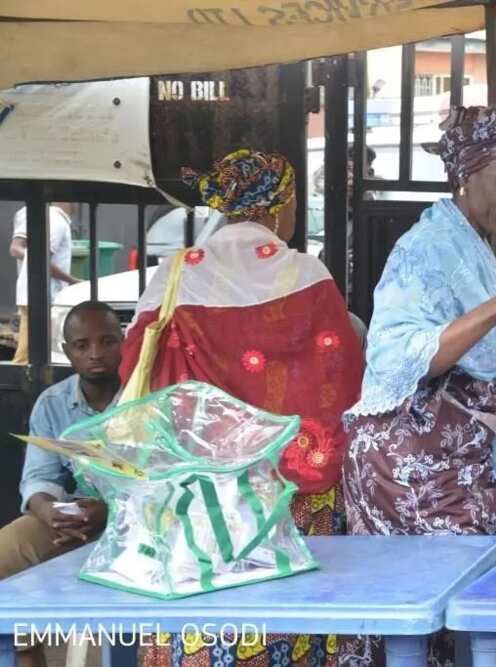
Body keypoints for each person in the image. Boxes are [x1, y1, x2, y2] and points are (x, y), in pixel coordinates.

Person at [337, 106, 496, 664]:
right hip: (409, 470)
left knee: (465, 618)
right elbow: (401, 355)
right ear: (465, 176)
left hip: (452, 465)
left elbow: (472, 341)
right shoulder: (425, 248)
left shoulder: (471, 246)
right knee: (437, 619)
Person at [122, 149, 364, 667]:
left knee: (199, 615)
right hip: (291, 492)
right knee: (291, 618)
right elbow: (342, 377)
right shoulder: (306, 275)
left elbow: (134, 374)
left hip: (193, 495)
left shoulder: (172, 276)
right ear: (279, 205)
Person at [0, 301, 120, 666]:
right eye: (82, 345)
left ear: (125, 341)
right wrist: (49, 511)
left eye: (108, 341)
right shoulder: (52, 402)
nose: (96, 354)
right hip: (73, 522)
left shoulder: (147, 392)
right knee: (8, 551)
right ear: (67, 351)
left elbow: (170, 481)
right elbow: (39, 477)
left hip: (142, 524)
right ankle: (23, 652)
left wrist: (111, 512)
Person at [9, 203, 81, 364]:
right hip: (43, 294)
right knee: (28, 357)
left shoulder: (39, 213)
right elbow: (39, 257)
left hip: (37, 292)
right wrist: (73, 280)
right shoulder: (55, 218)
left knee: (35, 354)